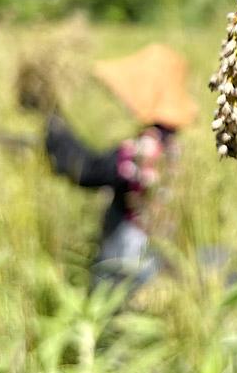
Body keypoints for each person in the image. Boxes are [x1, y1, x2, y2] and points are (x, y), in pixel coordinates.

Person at [20, 44, 197, 289]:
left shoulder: (146, 148)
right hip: (159, 242)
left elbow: (87, 171)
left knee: (116, 302)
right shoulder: (171, 142)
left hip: (132, 251)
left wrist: (54, 125)